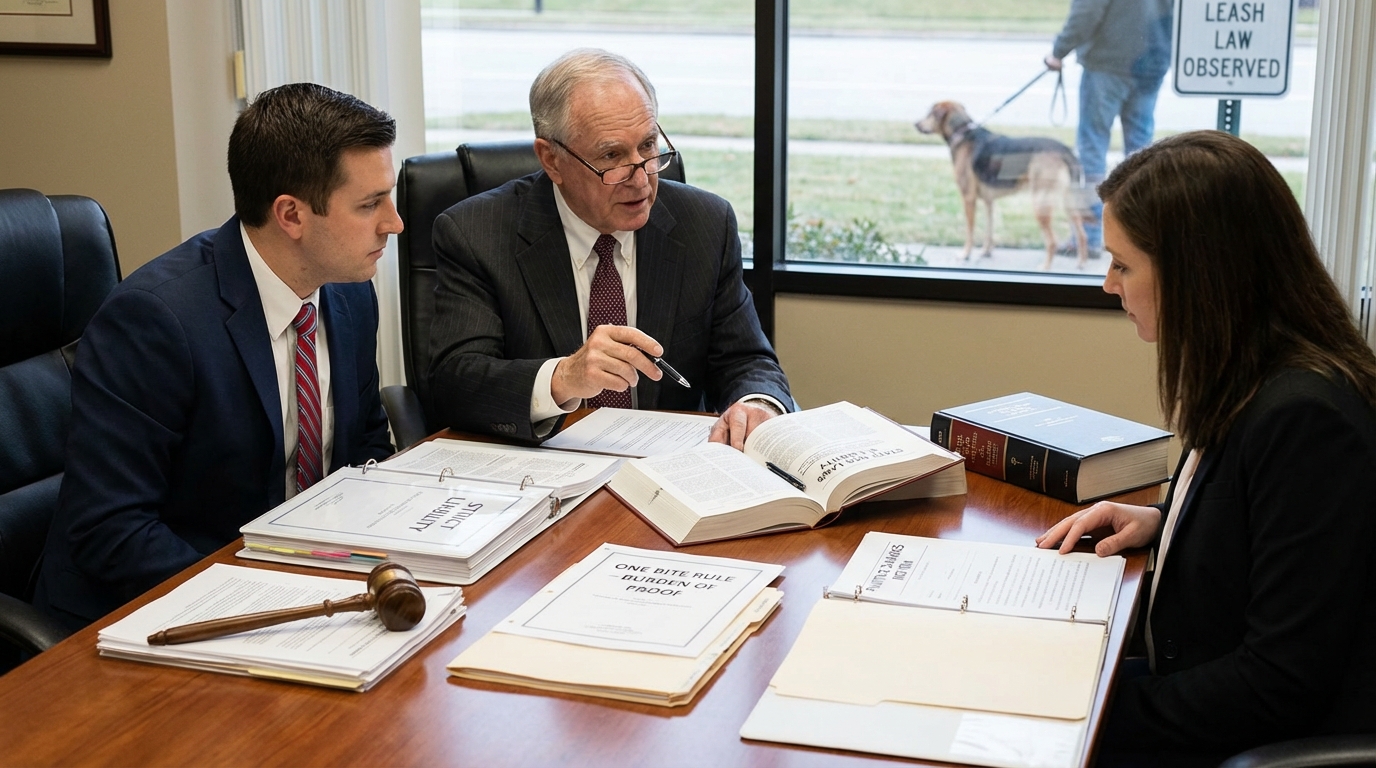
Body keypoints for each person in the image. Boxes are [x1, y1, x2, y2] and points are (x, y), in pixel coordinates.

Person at [1036, 131, 1376, 765]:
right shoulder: (1252, 371)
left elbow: (1279, 684)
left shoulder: (1306, 418)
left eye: (1123, 264)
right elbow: (1269, 533)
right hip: (1200, 685)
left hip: (1248, 731)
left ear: (1196, 273)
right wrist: (1168, 525)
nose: (1109, 285)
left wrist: (1083, 724)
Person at [35, 83, 401, 630]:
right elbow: (112, 531)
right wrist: (264, 599)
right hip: (151, 614)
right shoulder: (156, 321)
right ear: (291, 215)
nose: (393, 223)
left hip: (293, 589)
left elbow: (364, 443)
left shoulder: (347, 290)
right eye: (370, 205)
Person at [426, 48, 793, 447]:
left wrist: (759, 404)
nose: (641, 177)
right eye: (612, 156)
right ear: (551, 160)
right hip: (541, 469)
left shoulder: (704, 223)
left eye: (649, 146)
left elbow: (745, 359)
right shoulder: (476, 233)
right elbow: (455, 381)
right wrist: (563, 377)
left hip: (670, 470)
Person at [1045, 0, 1173, 254]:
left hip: (1107, 63)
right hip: (1153, 60)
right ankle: (1140, 237)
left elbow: (1086, 12)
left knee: (1092, 151)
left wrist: (1058, 52)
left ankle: (1091, 237)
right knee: (1141, 157)